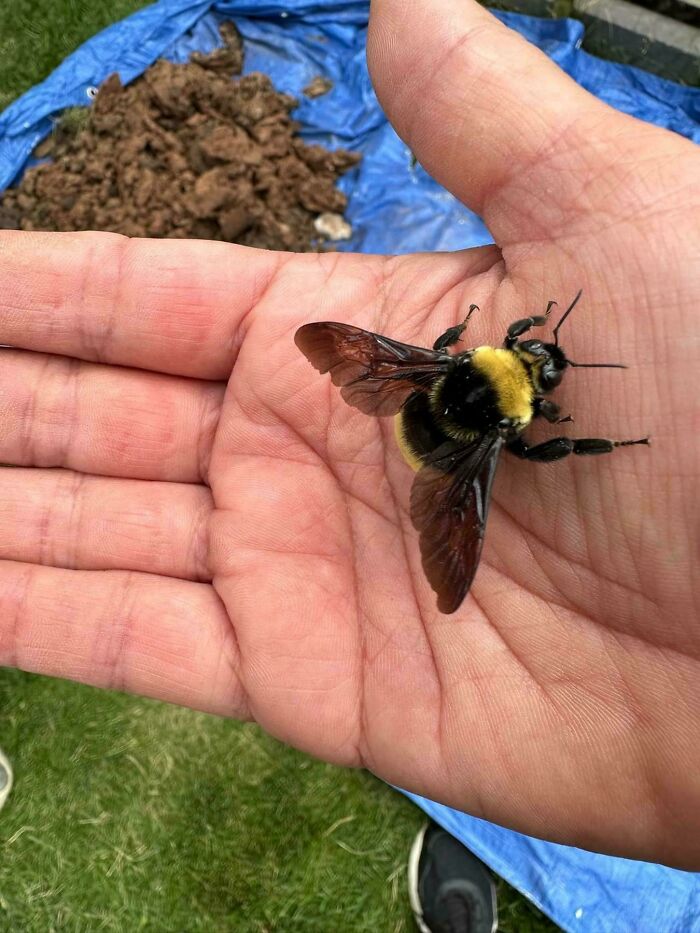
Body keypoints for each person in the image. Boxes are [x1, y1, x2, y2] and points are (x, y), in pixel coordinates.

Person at [0, 0, 697, 880]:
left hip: (426, 403)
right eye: (534, 356)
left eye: (533, 354)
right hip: (441, 437)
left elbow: (426, 360)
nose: (537, 353)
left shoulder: (465, 364)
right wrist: (606, 441)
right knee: (485, 443)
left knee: (429, 379)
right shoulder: (516, 421)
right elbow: (525, 430)